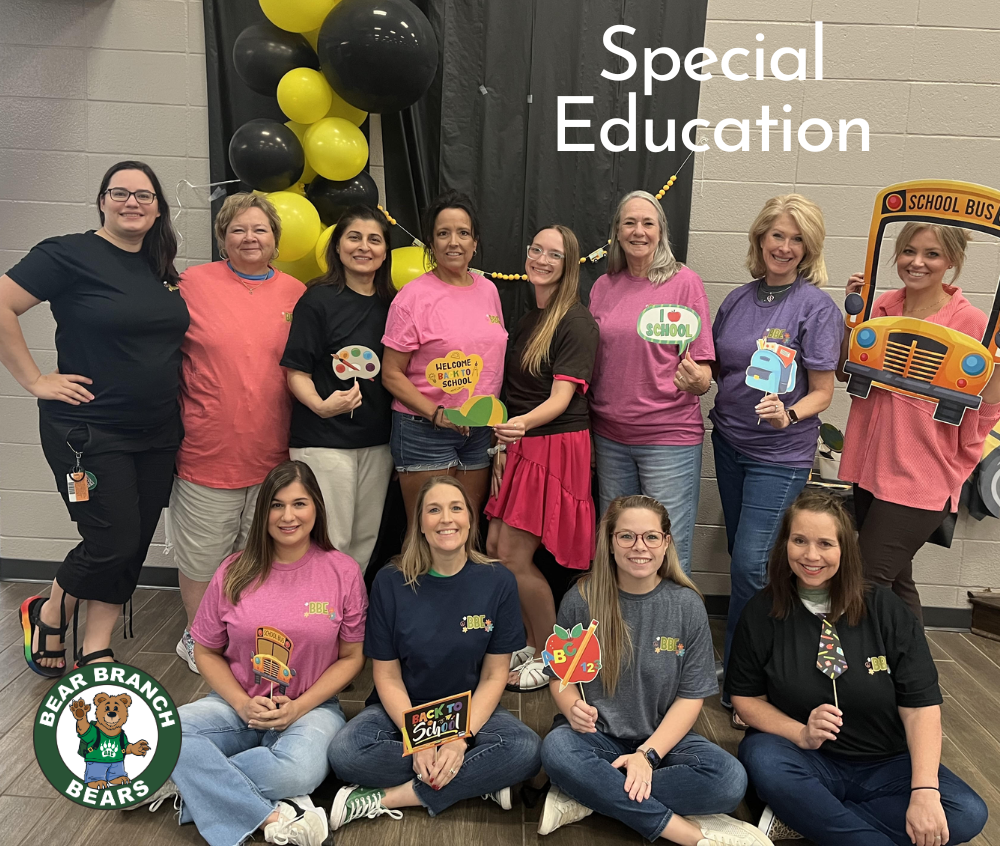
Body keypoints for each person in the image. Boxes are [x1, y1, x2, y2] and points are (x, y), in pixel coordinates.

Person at [1, 161, 189, 672]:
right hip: (89, 430)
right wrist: (35, 380)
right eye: (120, 192)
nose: (132, 202)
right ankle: (50, 609)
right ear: (102, 200)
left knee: (133, 541)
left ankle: (96, 645)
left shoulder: (158, 266)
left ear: (158, 208)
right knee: (113, 539)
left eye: (144, 195)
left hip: (157, 432)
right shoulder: (68, 254)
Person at [728, 488, 988, 846]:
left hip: (886, 762)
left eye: (825, 544)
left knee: (967, 811)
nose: (811, 555)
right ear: (784, 544)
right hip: (805, 757)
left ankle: (810, 820)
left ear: (844, 549)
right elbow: (745, 698)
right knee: (761, 757)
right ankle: (837, 824)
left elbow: (921, 706)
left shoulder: (885, 609)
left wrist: (924, 791)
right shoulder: (762, 612)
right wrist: (800, 733)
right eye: (799, 540)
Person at [154, 461, 367, 846]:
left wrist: (299, 708)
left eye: (299, 504)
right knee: (169, 730)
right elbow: (205, 650)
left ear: (316, 508)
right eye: (277, 505)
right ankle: (269, 814)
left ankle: (184, 780)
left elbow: (352, 658)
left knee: (299, 771)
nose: (288, 516)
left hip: (313, 708)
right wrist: (239, 703)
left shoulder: (343, 572)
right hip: (235, 703)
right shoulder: (234, 570)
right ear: (262, 511)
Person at [538, 495, 770, 845]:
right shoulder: (581, 600)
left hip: (662, 741)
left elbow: (691, 698)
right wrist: (570, 705)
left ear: (666, 544)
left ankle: (590, 796)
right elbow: (562, 678)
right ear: (611, 544)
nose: (639, 547)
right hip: (595, 737)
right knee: (555, 750)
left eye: (650, 537)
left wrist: (647, 755)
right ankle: (685, 832)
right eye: (626, 536)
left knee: (729, 780)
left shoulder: (687, 606)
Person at [326, 476, 542, 829]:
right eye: (434, 510)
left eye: (456, 508)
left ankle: (390, 796)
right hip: (404, 707)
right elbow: (387, 675)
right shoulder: (390, 581)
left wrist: (458, 740)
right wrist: (420, 740)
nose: (446, 519)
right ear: (420, 525)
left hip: (469, 708)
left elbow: (494, 675)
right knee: (346, 753)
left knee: (527, 750)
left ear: (470, 520)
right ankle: (477, 780)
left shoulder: (497, 580)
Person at [710, 195, 841, 715]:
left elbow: (824, 392)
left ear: (808, 248)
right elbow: (721, 369)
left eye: (796, 239)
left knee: (749, 567)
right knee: (749, 563)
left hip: (780, 453)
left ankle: (744, 680)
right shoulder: (738, 300)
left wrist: (789, 414)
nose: (784, 247)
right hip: (729, 443)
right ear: (760, 238)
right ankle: (759, 660)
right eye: (777, 235)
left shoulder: (816, 308)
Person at [169, 192, 305, 673]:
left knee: (256, 557)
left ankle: (239, 634)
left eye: (260, 229)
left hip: (274, 451)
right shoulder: (190, 284)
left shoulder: (295, 291)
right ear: (222, 237)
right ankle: (196, 639)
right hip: (207, 450)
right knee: (204, 560)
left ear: (275, 238)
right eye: (238, 229)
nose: (250, 238)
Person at [839, 222, 1000, 621]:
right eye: (909, 251)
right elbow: (847, 371)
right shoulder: (882, 306)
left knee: (861, 584)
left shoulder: (973, 323)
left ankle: (841, 676)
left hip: (921, 474)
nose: (917, 262)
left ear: (952, 261)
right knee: (896, 583)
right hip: (869, 467)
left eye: (932, 254)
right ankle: (915, 680)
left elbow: (988, 402)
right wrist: (852, 316)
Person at [485, 224, 600, 691]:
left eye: (554, 254)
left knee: (513, 553)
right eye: (536, 249)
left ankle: (551, 654)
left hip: (553, 443)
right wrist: (507, 443)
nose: (542, 259)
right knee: (495, 549)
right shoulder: (534, 315)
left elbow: (559, 399)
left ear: (569, 264)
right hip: (525, 441)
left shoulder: (576, 321)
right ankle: (528, 643)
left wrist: (518, 430)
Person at [588, 190, 715, 574]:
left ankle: (671, 634)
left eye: (648, 223)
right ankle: (621, 632)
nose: (638, 231)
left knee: (668, 551)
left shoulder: (684, 283)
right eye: (629, 222)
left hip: (668, 438)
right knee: (620, 550)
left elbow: (704, 368)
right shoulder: (603, 287)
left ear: (661, 231)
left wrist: (699, 382)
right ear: (616, 232)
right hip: (610, 439)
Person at [381, 192, 508, 526]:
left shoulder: (488, 290)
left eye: (463, 233)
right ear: (430, 243)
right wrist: (437, 414)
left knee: (464, 530)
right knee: (430, 533)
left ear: (475, 243)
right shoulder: (413, 297)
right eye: (443, 233)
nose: (454, 242)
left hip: (478, 429)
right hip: (424, 429)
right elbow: (391, 374)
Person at [282, 205, 395, 573]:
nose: (364, 247)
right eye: (354, 237)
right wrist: (320, 405)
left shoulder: (394, 304)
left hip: (377, 443)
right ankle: (319, 627)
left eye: (374, 239)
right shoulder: (317, 300)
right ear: (338, 245)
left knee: (364, 543)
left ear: (385, 250)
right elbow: (295, 371)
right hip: (323, 440)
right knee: (331, 542)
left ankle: (349, 626)